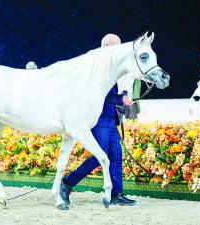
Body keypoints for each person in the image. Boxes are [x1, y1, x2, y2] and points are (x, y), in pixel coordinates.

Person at [60, 34, 136, 206]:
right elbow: (99, 94)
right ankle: (67, 183)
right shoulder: (95, 66)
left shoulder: (109, 67)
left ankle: (116, 194)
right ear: (106, 46)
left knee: (116, 156)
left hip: (110, 118)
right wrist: (120, 99)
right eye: (116, 46)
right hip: (98, 118)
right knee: (98, 156)